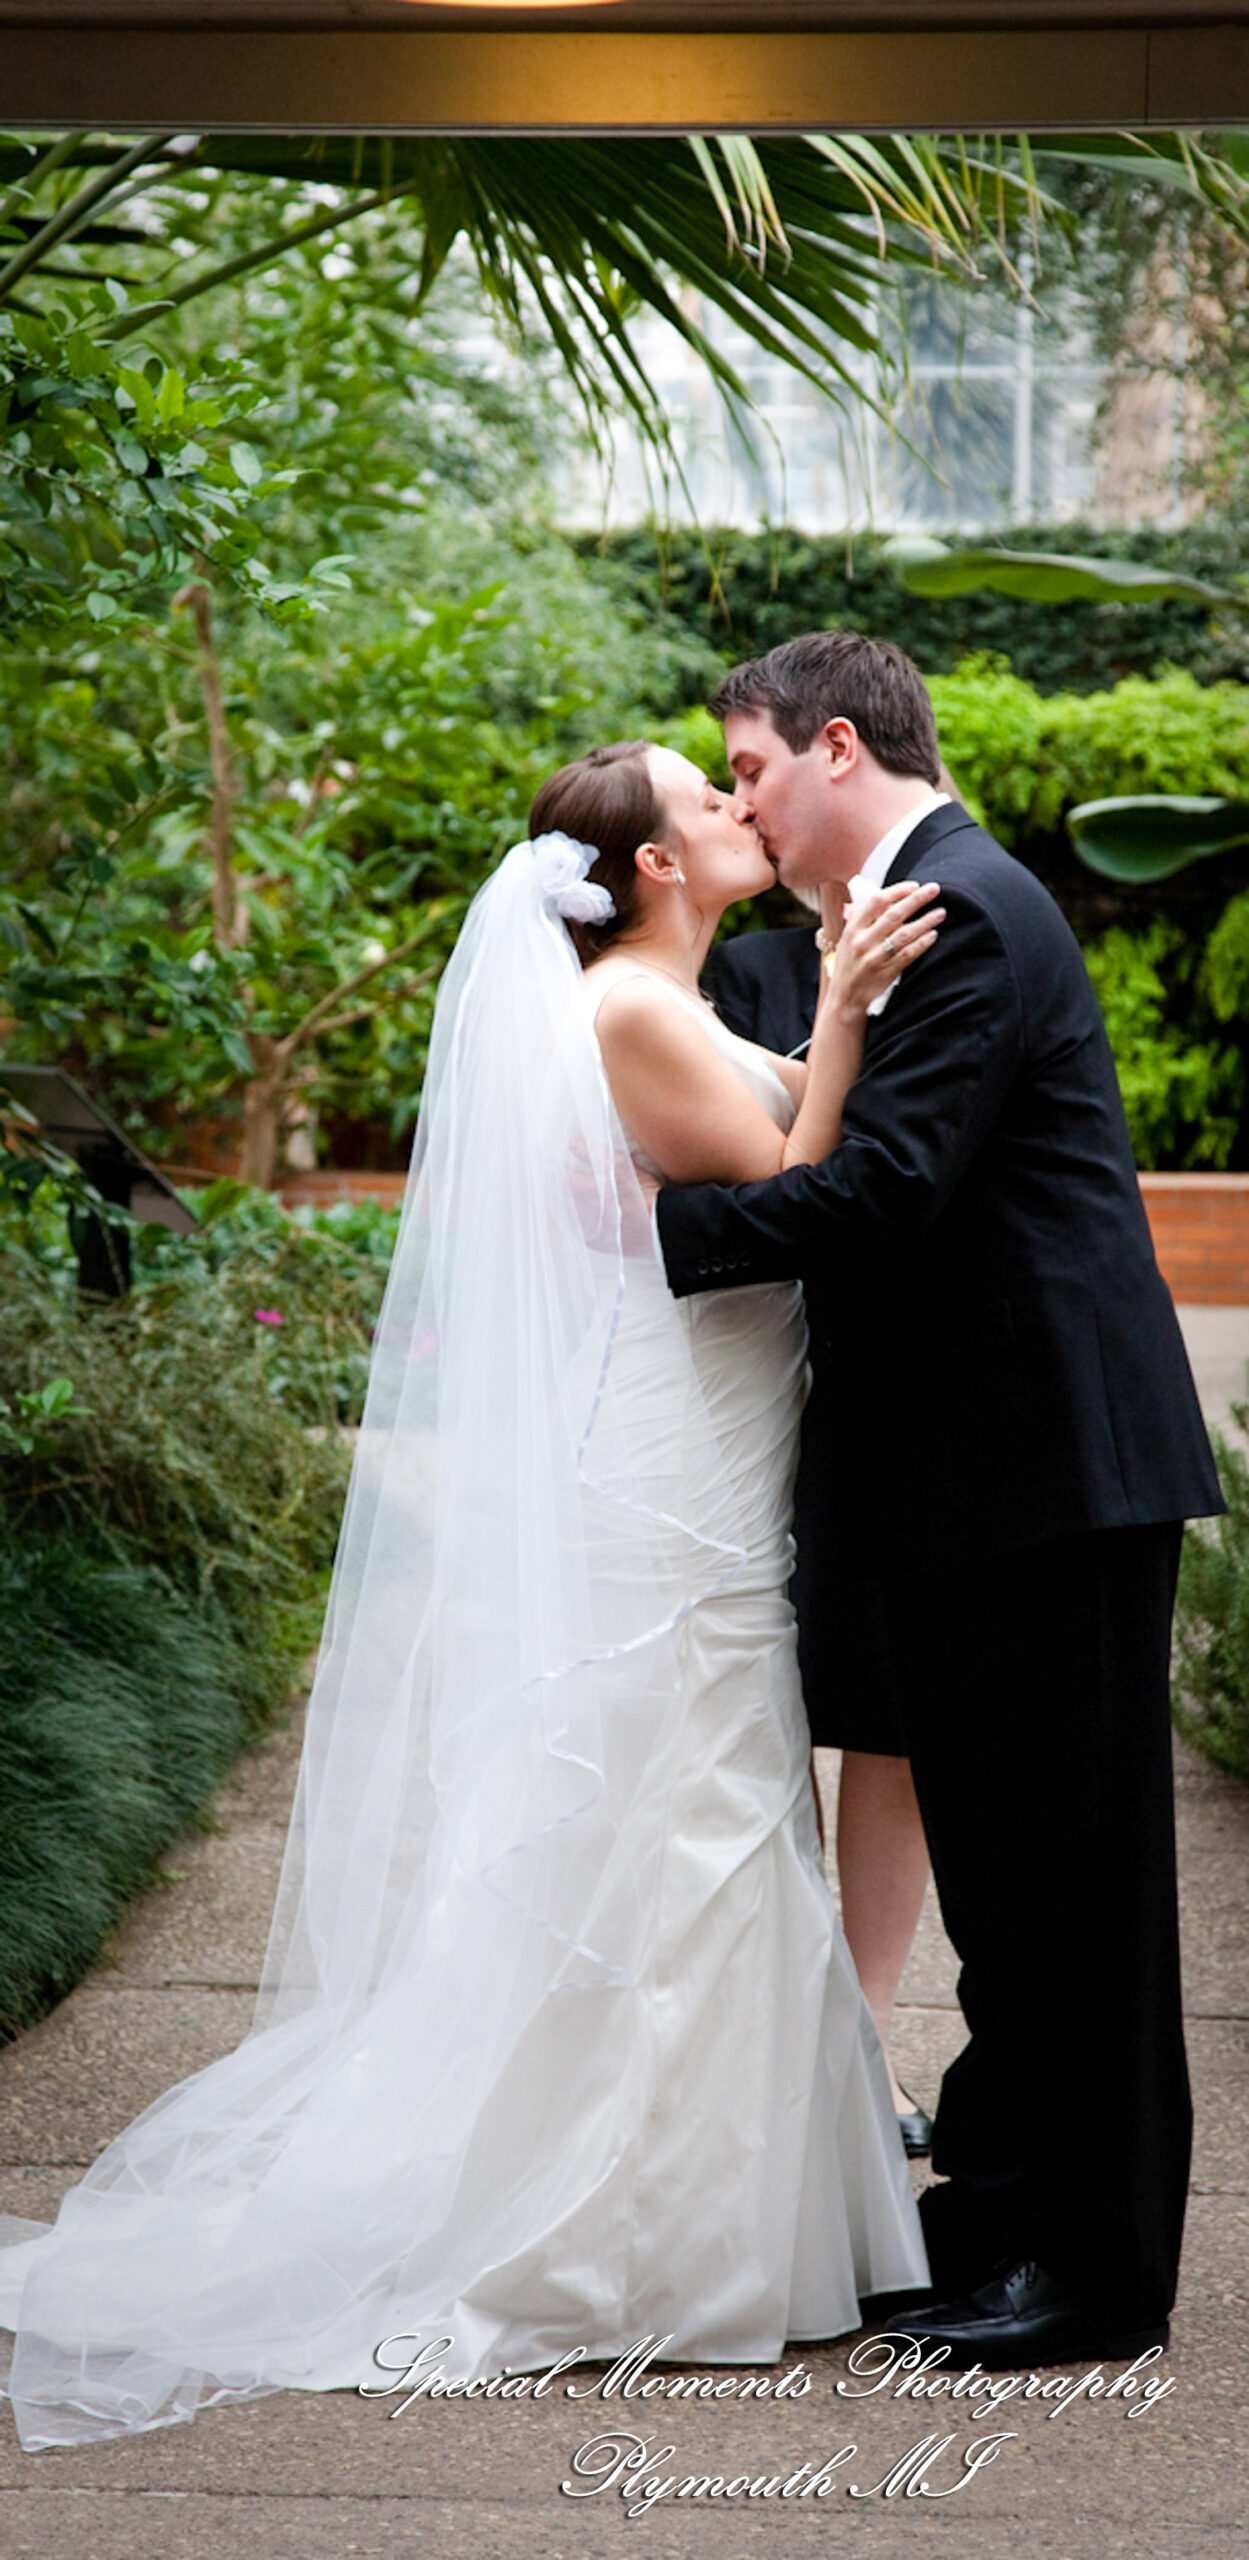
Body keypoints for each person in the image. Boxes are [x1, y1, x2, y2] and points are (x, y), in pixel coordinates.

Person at [0, 738, 933, 2453]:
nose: (739, 812)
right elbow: (794, 1180)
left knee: (705, 1801)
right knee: (691, 1801)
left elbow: (758, 1123)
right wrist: (851, 1007)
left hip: (689, 1426)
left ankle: (706, 2212)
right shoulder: (636, 1016)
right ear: (651, 864)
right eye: (705, 801)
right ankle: (628, 2238)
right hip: (675, 1458)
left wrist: (817, 1011)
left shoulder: (654, 998)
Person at [656, 630, 1226, 2372]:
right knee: (1007, 1882)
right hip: (987, 1478)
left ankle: (1095, 2277)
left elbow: (887, 1189)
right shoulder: (904, 913)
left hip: (1043, 1474)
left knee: (1074, 1895)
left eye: (748, 766)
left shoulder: (958, 909)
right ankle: (992, 2220)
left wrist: (651, 1238)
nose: (740, 798)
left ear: (837, 746)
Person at [705, 904, 933, 2156]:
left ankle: (866, 2034)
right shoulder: (734, 972)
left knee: (885, 1711)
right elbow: (759, 1177)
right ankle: (768, 2030)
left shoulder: (963, 939)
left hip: (885, 1392)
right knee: (753, 1701)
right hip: (751, 1383)